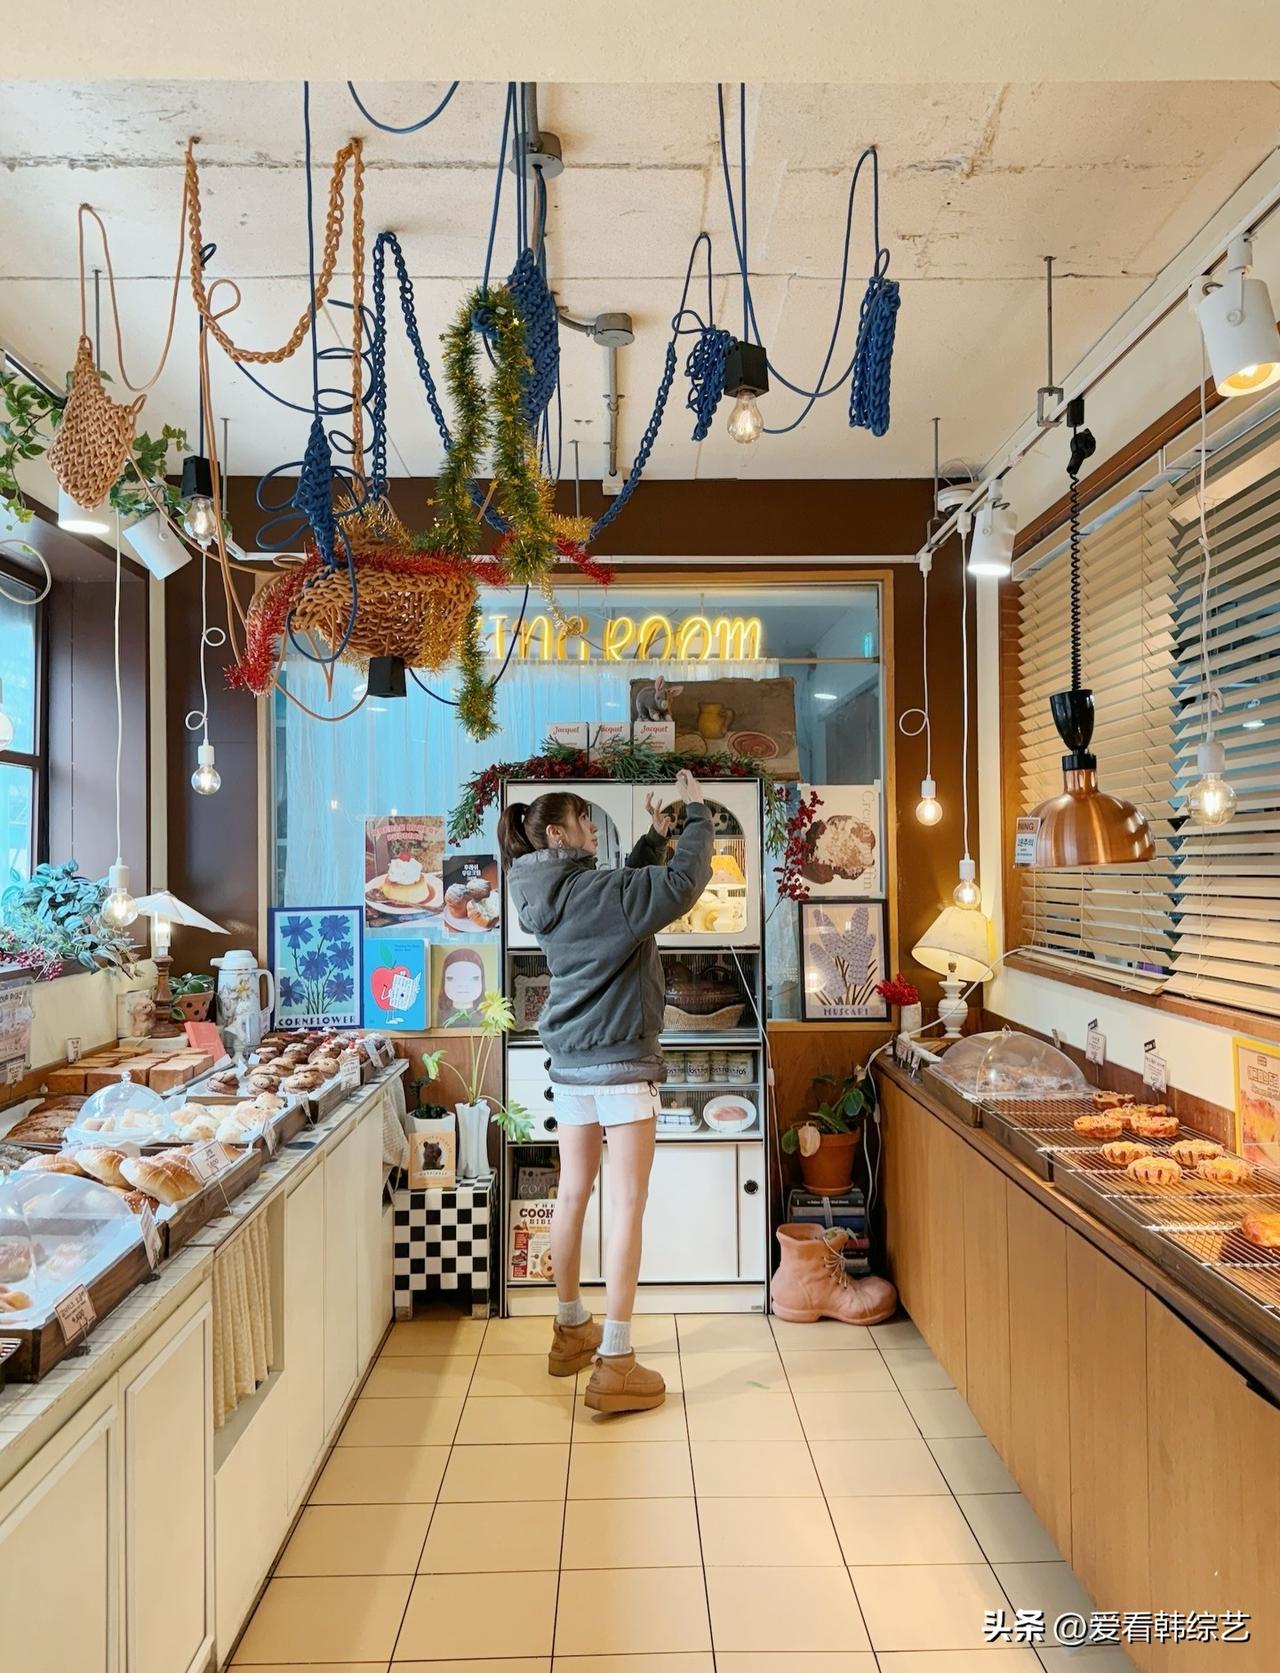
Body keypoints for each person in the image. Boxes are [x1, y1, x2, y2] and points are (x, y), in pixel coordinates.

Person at [499, 769, 713, 1413]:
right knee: (626, 1206)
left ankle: (570, 1330)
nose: (594, 827)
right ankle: (616, 1361)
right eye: (584, 819)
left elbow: (623, 900)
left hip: (569, 1065)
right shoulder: (597, 891)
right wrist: (698, 813)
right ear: (558, 833)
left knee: (572, 1194)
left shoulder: (545, 893)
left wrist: (651, 839)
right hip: (620, 1062)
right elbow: (679, 887)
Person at [435, 946, 487, 1026]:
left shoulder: (487, 1016)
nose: (463, 985)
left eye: (474, 978)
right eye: (451, 978)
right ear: (444, 981)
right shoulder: (441, 1015)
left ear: (481, 981)